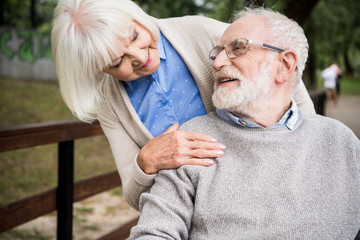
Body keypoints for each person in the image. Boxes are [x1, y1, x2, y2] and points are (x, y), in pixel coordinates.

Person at [51, 0, 316, 210]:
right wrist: (145, 162)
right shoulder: (110, 104)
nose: (140, 57)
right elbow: (133, 197)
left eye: (134, 36)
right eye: (117, 62)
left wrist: (315, 147)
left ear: (137, 18)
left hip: (270, 185)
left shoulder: (199, 32)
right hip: (199, 216)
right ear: (100, 69)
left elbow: (284, 81)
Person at [129, 7, 360, 239]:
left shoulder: (340, 140)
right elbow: (153, 233)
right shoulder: (190, 142)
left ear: (284, 65)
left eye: (238, 48)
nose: (217, 62)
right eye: (217, 53)